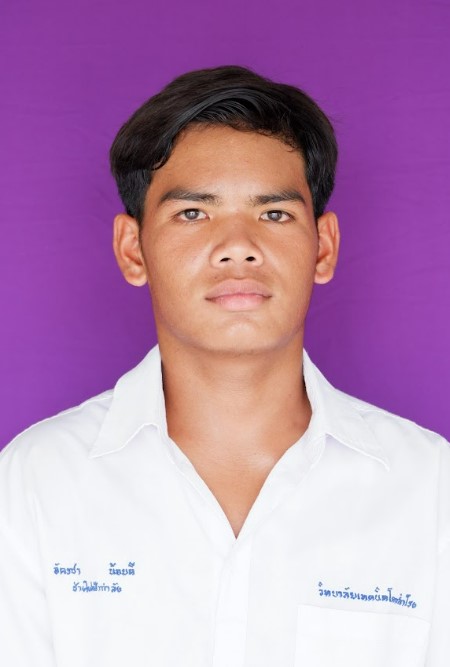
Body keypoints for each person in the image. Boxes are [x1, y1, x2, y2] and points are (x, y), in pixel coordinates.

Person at [0, 65, 448, 667]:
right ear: (133, 249)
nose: (238, 246)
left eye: (274, 214)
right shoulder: (35, 484)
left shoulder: (430, 491)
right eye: (193, 213)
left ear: (324, 247)